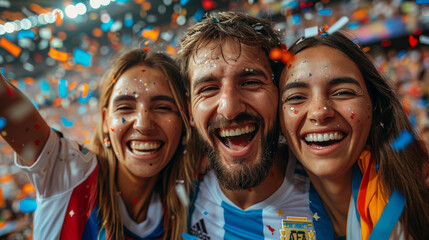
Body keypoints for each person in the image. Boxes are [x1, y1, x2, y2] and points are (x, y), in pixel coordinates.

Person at [0, 49, 199, 239]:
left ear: (184, 121)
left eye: (163, 107)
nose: (143, 124)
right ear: (104, 121)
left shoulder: (192, 204)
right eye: (125, 107)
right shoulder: (66, 172)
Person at [178, 12, 318, 240]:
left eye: (251, 82)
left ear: (280, 91)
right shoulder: (178, 188)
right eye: (208, 89)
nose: (230, 108)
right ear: (189, 108)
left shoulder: (332, 192)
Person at [279, 31, 429, 240]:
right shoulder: (262, 215)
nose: (319, 112)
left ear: (375, 104)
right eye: (295, 97)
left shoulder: (419, 187)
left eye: (342, 92)